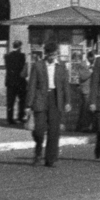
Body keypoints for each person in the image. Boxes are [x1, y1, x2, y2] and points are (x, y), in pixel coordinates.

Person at [26, 39, 70, 167]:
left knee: (54, 130)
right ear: (46, 54)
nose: (53, 57)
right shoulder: (38, 65)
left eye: (55, 54)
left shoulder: (61, 67)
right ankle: (38, 150)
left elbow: (65, 85)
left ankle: (50, 158)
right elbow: (32, 86)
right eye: (50, 55)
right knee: (39, 130)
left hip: (55, 99)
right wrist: (28, 105)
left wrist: (67, 101)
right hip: (40, 99)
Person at [4, 40, 28, 125]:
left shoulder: (7, 56)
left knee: (10, 101)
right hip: (20, 81)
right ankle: (20, 117)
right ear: (20, 47)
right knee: (22, 100)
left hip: (10, 81)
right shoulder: (22, 56)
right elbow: (22, 67)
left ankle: (9, 118)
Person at [71, 47, 93, 131]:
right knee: (84, 110)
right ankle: (81, 126)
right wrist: (90, 71)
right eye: (92, 58)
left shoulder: (90, 65)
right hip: (85, 90)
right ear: (89, 57)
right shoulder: (83, 65)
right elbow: (83, 76)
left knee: (87, 110)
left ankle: (85, 126)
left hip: (90, 89)